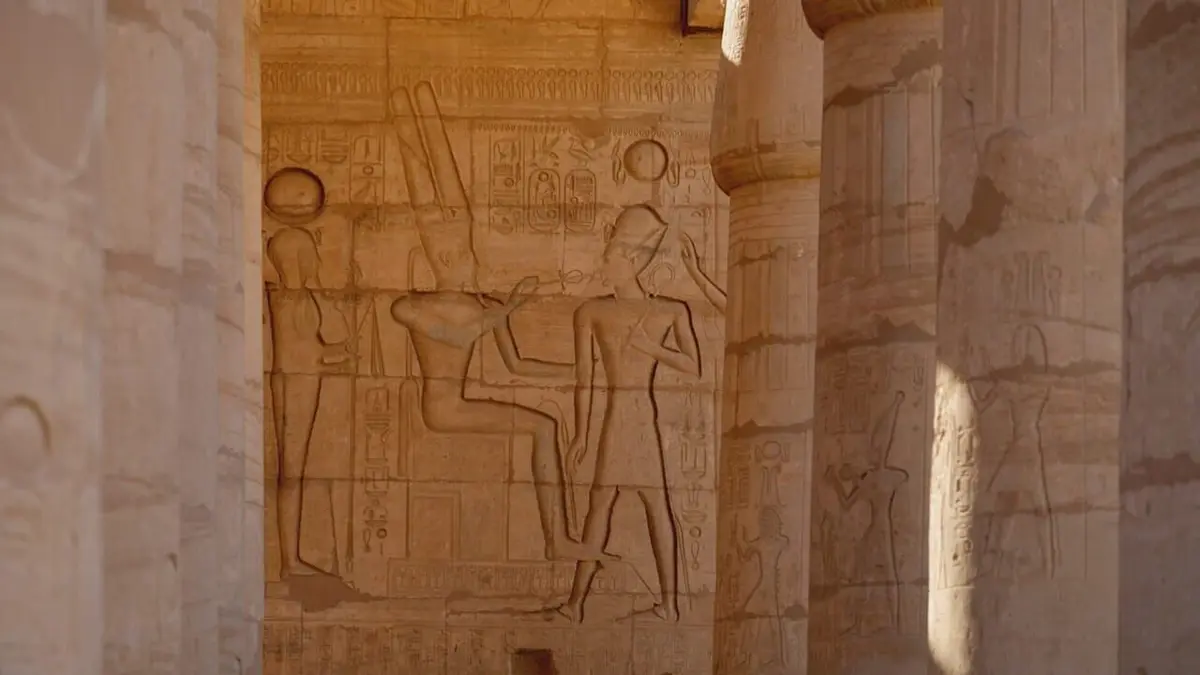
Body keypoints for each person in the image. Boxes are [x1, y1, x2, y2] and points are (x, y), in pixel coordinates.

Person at [387, 81, 606, 562]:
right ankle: (557, 540)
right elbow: (458, 333)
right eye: (457, 251)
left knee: (544, 426)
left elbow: (518, 365)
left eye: (466, 248)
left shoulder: (480, 303)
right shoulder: (414, 305)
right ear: (441, 258)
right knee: (542, 428)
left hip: (461, 400)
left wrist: (579, 373)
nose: (466, 257)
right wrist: (505, 309)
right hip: (444, 411)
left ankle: (558, 538)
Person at [546, 204, 702, 623]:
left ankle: (668, 604)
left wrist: (651, 347)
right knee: (600, 505)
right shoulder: (591, 312)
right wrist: (581, 435)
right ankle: (576, 603)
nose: (602, 266)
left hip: (641, 418)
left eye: (609, 258)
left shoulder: (670, 310)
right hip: (617, 418)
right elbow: (584, 381)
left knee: (655, 505)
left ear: (631, 260)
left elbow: (694, 365)